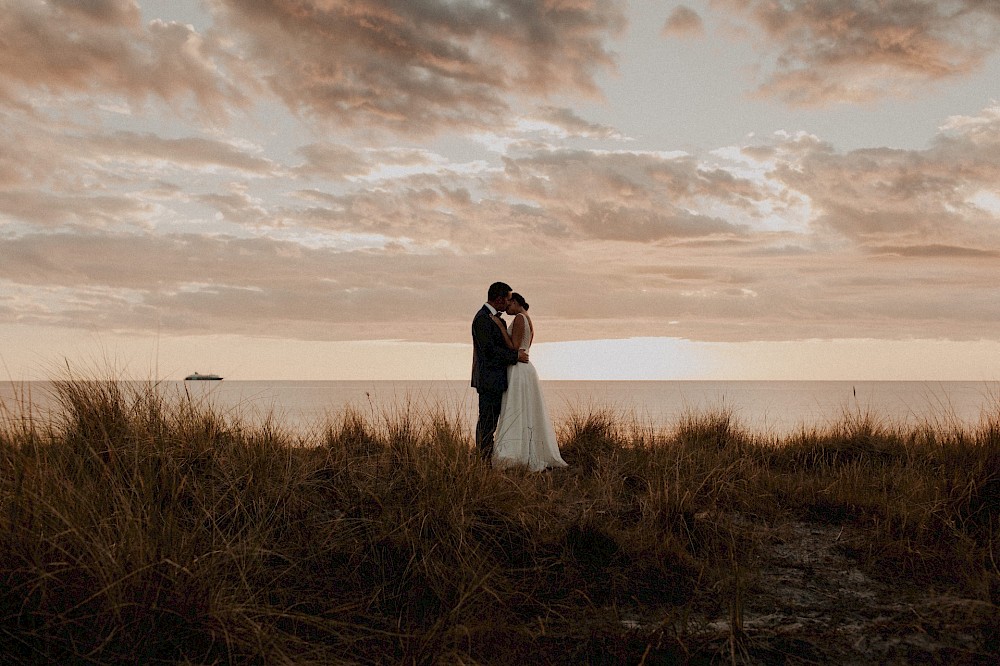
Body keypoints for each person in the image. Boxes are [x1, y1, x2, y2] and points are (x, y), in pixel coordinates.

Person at [491, 293, 568, 471]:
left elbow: (515, 347)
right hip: (525, 368)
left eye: (508, 303)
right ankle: (528, 448)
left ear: (516, 302)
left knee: (516, 407)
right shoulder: (527, 318)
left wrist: (501, 329)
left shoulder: (519, 318)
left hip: (519, 367)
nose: (506, 307)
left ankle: (518, 452)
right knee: (524, 408)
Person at [471, 282, 528, 460]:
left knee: (494, 422)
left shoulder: (496, 318)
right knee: (487, 423)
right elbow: (488, 351)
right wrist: (514, 357)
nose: (509, 302)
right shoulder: (482, 318)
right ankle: (483, 460)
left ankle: (490, 457)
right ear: (499, 299)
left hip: (498, 379)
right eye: (508, 299)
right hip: (489, 379)